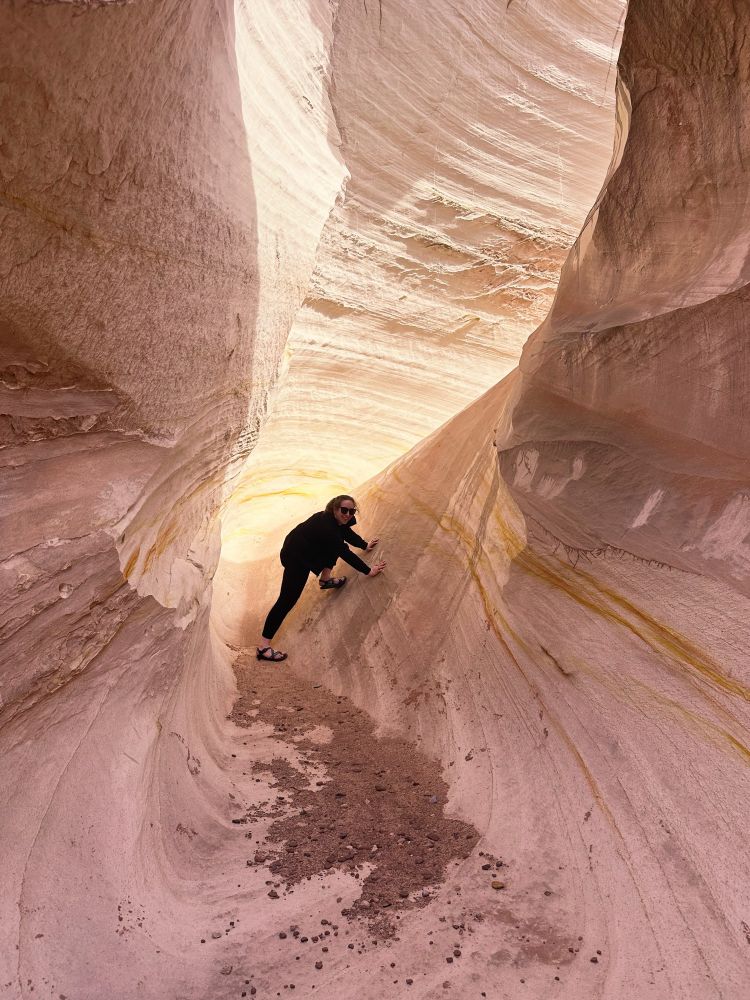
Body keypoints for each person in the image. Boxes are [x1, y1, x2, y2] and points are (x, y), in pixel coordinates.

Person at [256, 495, 386, 661]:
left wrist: (364, 545)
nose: (348, 514)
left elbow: (346, 532)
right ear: (334, 509)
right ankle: (263, 647)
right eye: (344, 510)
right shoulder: (326, 526)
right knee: (287, 600)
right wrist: (368, 571)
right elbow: (344, 552)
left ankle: (325, 580)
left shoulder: (337, 522)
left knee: (335, 545)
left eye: (352, 511)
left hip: (311, 546)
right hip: (296, 555)